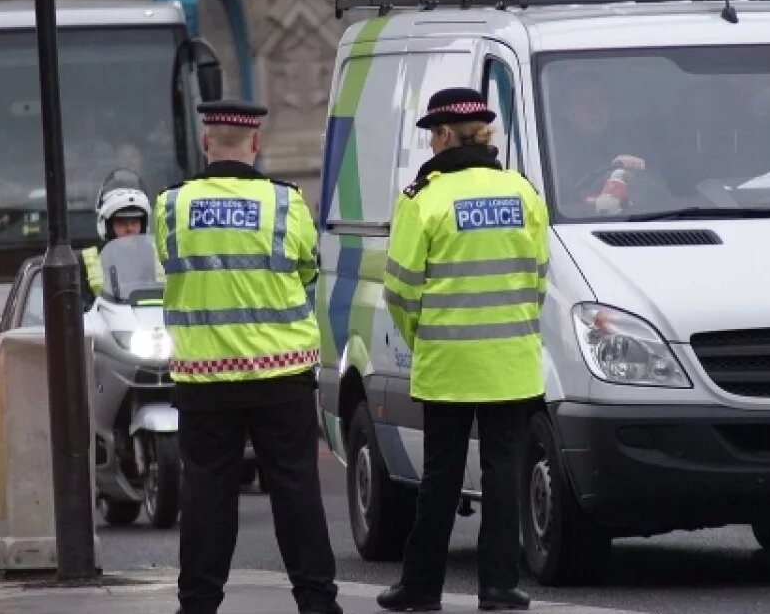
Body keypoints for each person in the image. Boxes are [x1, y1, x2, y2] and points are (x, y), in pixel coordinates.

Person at [155, 99, 342, 614]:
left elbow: (169, 263)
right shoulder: (287, 204)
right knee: (295, 491)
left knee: (207, 496)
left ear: (205, 143)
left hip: (202, 377)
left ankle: (197, 605)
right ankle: (317, 603)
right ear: (255, 144)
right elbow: (308, 270)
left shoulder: (170, 204)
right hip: (280, 373)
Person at [377, 88, 549, 613]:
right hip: (512, 366)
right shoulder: (521, 191)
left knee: (441, 481)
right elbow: (539, 277)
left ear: (447, 136)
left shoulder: (423, 198)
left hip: (448, 365)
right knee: (502, 479)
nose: (431, 143)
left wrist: (421, 338)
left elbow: (400, 289)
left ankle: (422, 587)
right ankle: (498, 588)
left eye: (433, 134)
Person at [550, 78, 646, 198]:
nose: (596, 109)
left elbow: (657, 187)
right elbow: (563, 195)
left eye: (603, 101)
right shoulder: (551, 149)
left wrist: (636, 171)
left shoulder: (631, 141)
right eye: (585, 102)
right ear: (568, 110)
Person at [79, 182, 153, 307]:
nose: (129, 228)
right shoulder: (88, 259)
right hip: (104, 324)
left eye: (134, 222)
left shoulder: (157, 256)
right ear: (107, 227)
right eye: (122, 223)